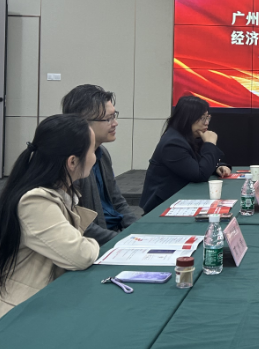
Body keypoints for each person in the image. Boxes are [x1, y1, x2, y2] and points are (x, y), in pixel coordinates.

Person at [0, 115, 100, 318]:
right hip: (21, 312)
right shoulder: (34, 201)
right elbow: (80, 255)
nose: (95, 157)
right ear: (72, 161)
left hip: (46, 300)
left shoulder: (59, 193)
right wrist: (91, 243)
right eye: (92, 150)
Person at [62, 85, 140, 245]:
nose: (115, 123)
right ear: (82, 122)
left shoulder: (102, 153)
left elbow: (117, 200)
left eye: (114, 116)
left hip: (114, 234)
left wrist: (138, 230)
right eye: (108, 118)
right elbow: (79, 225)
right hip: (95, 243)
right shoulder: (70, 162)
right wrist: (124, 240)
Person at [140, 96, 230, 213]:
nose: (206, 123)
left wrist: (218, 167)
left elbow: (203, 161)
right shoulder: (173, 143)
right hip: (162, 207)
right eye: (202, 118)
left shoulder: (188, 137)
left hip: (180, 199)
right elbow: (200, 175)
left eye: (207, 117)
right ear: (187, 118)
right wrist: (210, 143)